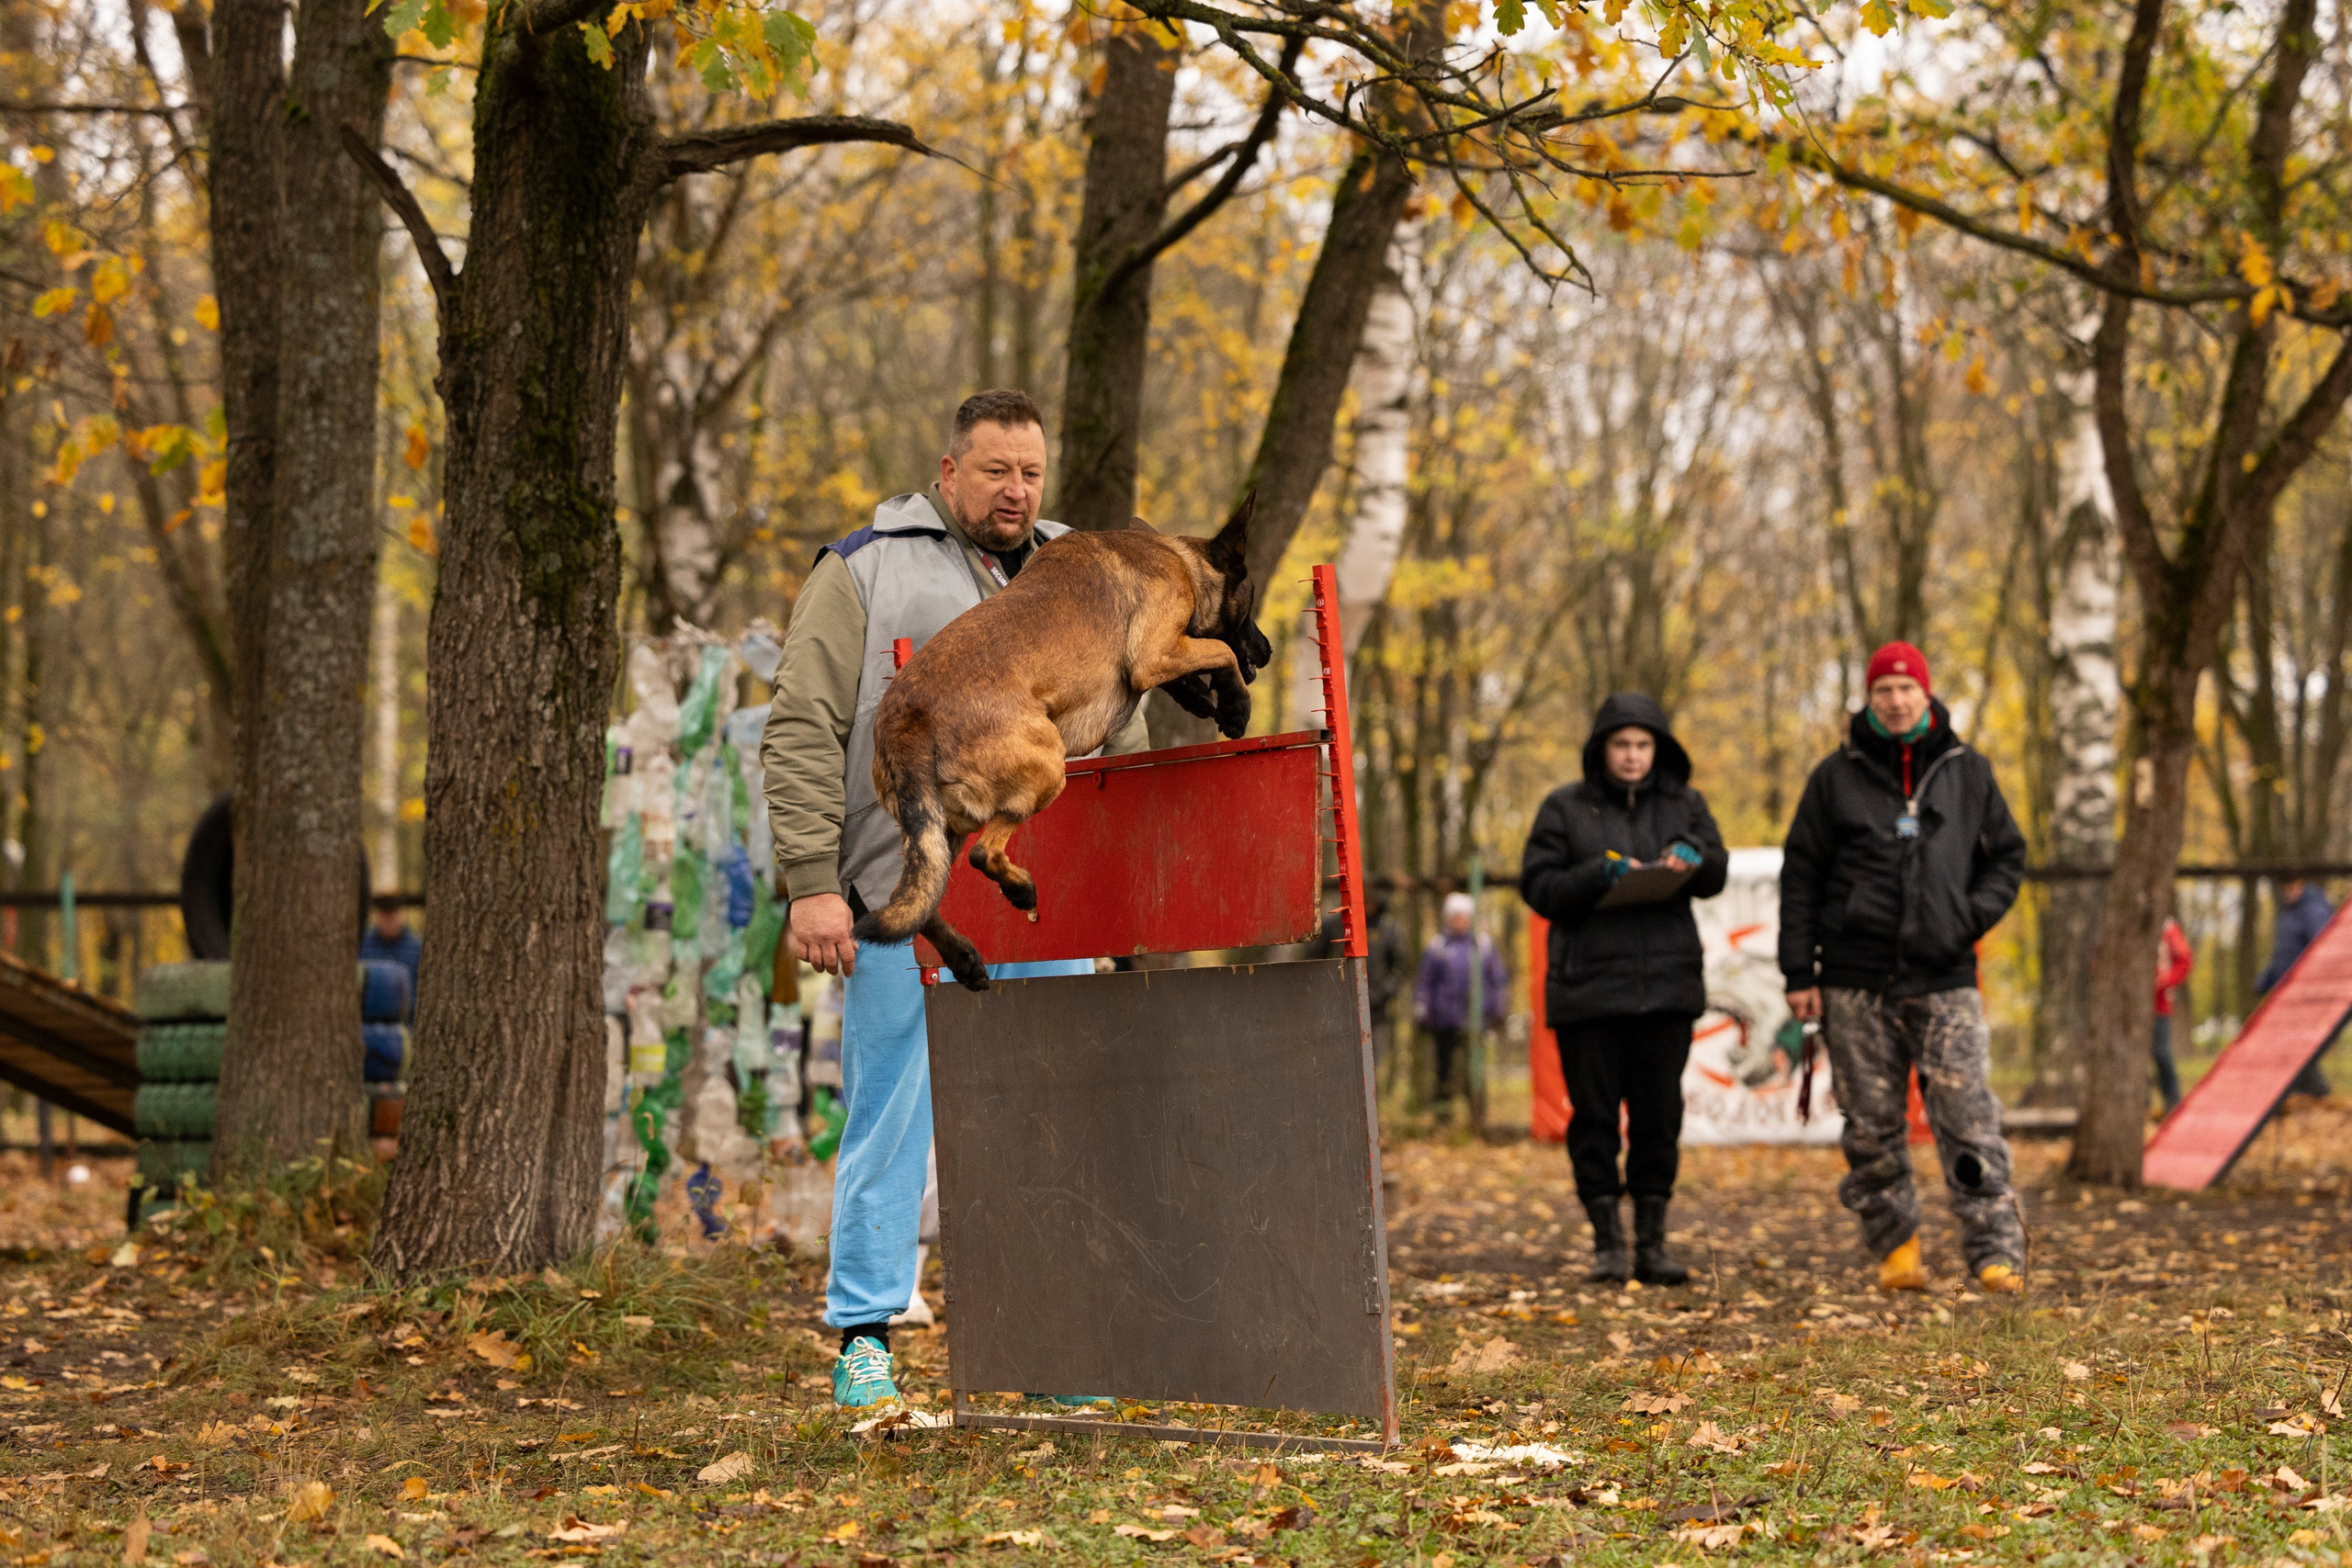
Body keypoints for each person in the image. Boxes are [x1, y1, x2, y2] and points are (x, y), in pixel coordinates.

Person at [761, 389, 1148, 1411]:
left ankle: (1053, 1346)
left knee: (1051, 1119)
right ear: (948, 472)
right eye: (994, 471)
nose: (1015, 491)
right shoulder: (864, 570)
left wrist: (1117, 900)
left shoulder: (1089, 573)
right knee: (894, 1115)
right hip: (908, 892)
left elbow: (1125, 733)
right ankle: (864, 1340)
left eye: (1029, 472)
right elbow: (800, 726)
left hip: (1043, 897)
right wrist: (810, 884)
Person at [1780, 642, 2028, 1296]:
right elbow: (1800, 876)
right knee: (1871, 1123)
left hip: (1945, 978)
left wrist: (1967, 918)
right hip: (1853, 979)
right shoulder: (1835, 777)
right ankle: (1897, 1246)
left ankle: (1995, 1251)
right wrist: (1797, 972)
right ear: (1870, 698)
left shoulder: (1966, 770)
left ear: (1926, 692)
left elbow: (2007, 857)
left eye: (1905, 688)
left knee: (1968, 1117)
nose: (1895, 700)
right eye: (1883, 689)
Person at [1519, 693, 1728, 1286]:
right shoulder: (1563, 808)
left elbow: (1716, 872)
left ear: (1658, 749)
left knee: (1659, 1118)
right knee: (1594, 1119)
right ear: (1601, 749)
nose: (1633, 756)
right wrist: (1596, 874)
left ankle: (1653, 1244)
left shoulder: (1685, 805)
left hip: (1667, 989)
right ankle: (1607, 1243)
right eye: (1622, 744)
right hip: (1588, 992)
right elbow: (1539, 887)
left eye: (1643, 744)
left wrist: (1695, 857)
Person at [1412, 893, 1506, 1122]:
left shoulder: (1483, 946)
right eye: (1455, 916)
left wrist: (1498, 1009)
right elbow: (1424, 982)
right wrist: (1422, 1009)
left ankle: (1477, 1120)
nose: (1459, 920)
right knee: (1444, 1070)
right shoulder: (1437, 947)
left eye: (1463, 916)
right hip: (1444, 1020)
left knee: (1474, 1071)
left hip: (1475, 1019)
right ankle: (1443, 1119)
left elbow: (1497, 980)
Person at [2257, 877, 2336, 1097]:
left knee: (2297, 1040)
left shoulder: (2313, 911)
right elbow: (2281, 955)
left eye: (2291, 887)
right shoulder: (2286, 914)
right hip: (2285, 989)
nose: (2287, 892)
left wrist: (2313, 983)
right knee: (2286, 1039)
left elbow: (2321, 948)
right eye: (2284, 888)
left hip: (2306, 990)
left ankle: (2316, 1088)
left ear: (2301, 884)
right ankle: (2303, 1088)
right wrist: (2266, 980)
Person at [2152, 916, 2192, 1111]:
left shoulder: (2168, 930)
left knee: (2161, 1052)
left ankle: (2173, 1101)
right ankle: (2145, 1103)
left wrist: (2164, 981)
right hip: (2130, 1007)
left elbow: (2184, 961)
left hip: (2159, 1004)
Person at [359, 895, 422, 1007]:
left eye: (393, 915)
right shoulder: (362, 945)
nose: (389, 921)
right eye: (384, 915)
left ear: (402, 915)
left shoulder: (417, 948)